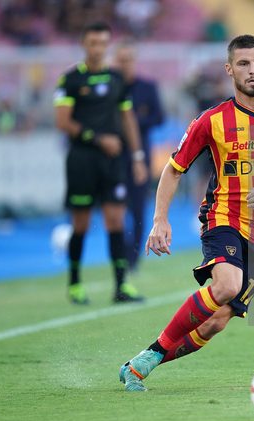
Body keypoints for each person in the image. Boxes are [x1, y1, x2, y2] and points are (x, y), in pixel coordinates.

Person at [119, 34, 254, 391]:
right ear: (229, 70)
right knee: (226, 286)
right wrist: (159, 219)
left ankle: (140, 364)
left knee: (216, 322)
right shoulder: (212, 120)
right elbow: (173, 169)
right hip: (223, 217)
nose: (252, 70)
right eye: (243, 64)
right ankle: (151, 356)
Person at [53, 21, 148, 305]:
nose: (97, 48)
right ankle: (74, 284)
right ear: (84, 44)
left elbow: (128, 118)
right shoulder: (70, 80)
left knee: (116, 219)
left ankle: (121, 286)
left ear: (108, 45)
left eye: (102, 43)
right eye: (92, 43)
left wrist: (138, 156)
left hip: (113, 160)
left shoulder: (117, 79)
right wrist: (98, 139)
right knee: (81, 222)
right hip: (82, 160)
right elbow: (62, 122)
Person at [114, 39, 165, 272]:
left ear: (133, 61)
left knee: (137, 210)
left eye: (127, 59)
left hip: (139, 158)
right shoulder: (111, 88)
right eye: (120, 59)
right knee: (114, 210)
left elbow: (159, 117)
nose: (124, 64)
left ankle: (132, 258)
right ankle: (119, 254)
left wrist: (133, 122)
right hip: (113, 158)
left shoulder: (147, 87)